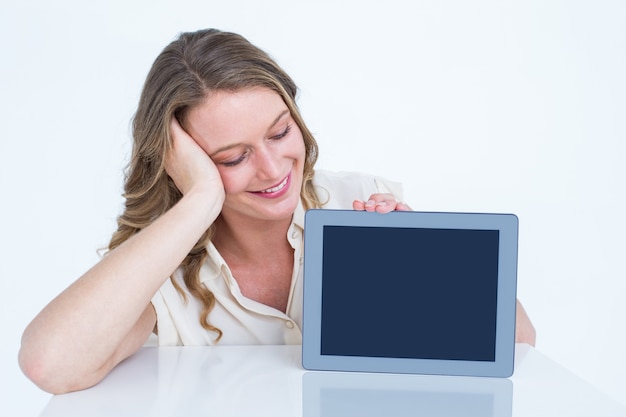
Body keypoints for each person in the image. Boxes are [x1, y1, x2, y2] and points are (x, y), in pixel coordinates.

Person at [18, 28, 536, 394]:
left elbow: (519, 345)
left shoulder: (358, 197)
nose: (272, 168)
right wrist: (200, 200)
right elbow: (50, 365)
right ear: (184, 163)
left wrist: (427, 261)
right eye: (234, 157)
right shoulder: (160, 272)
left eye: (280, 131)